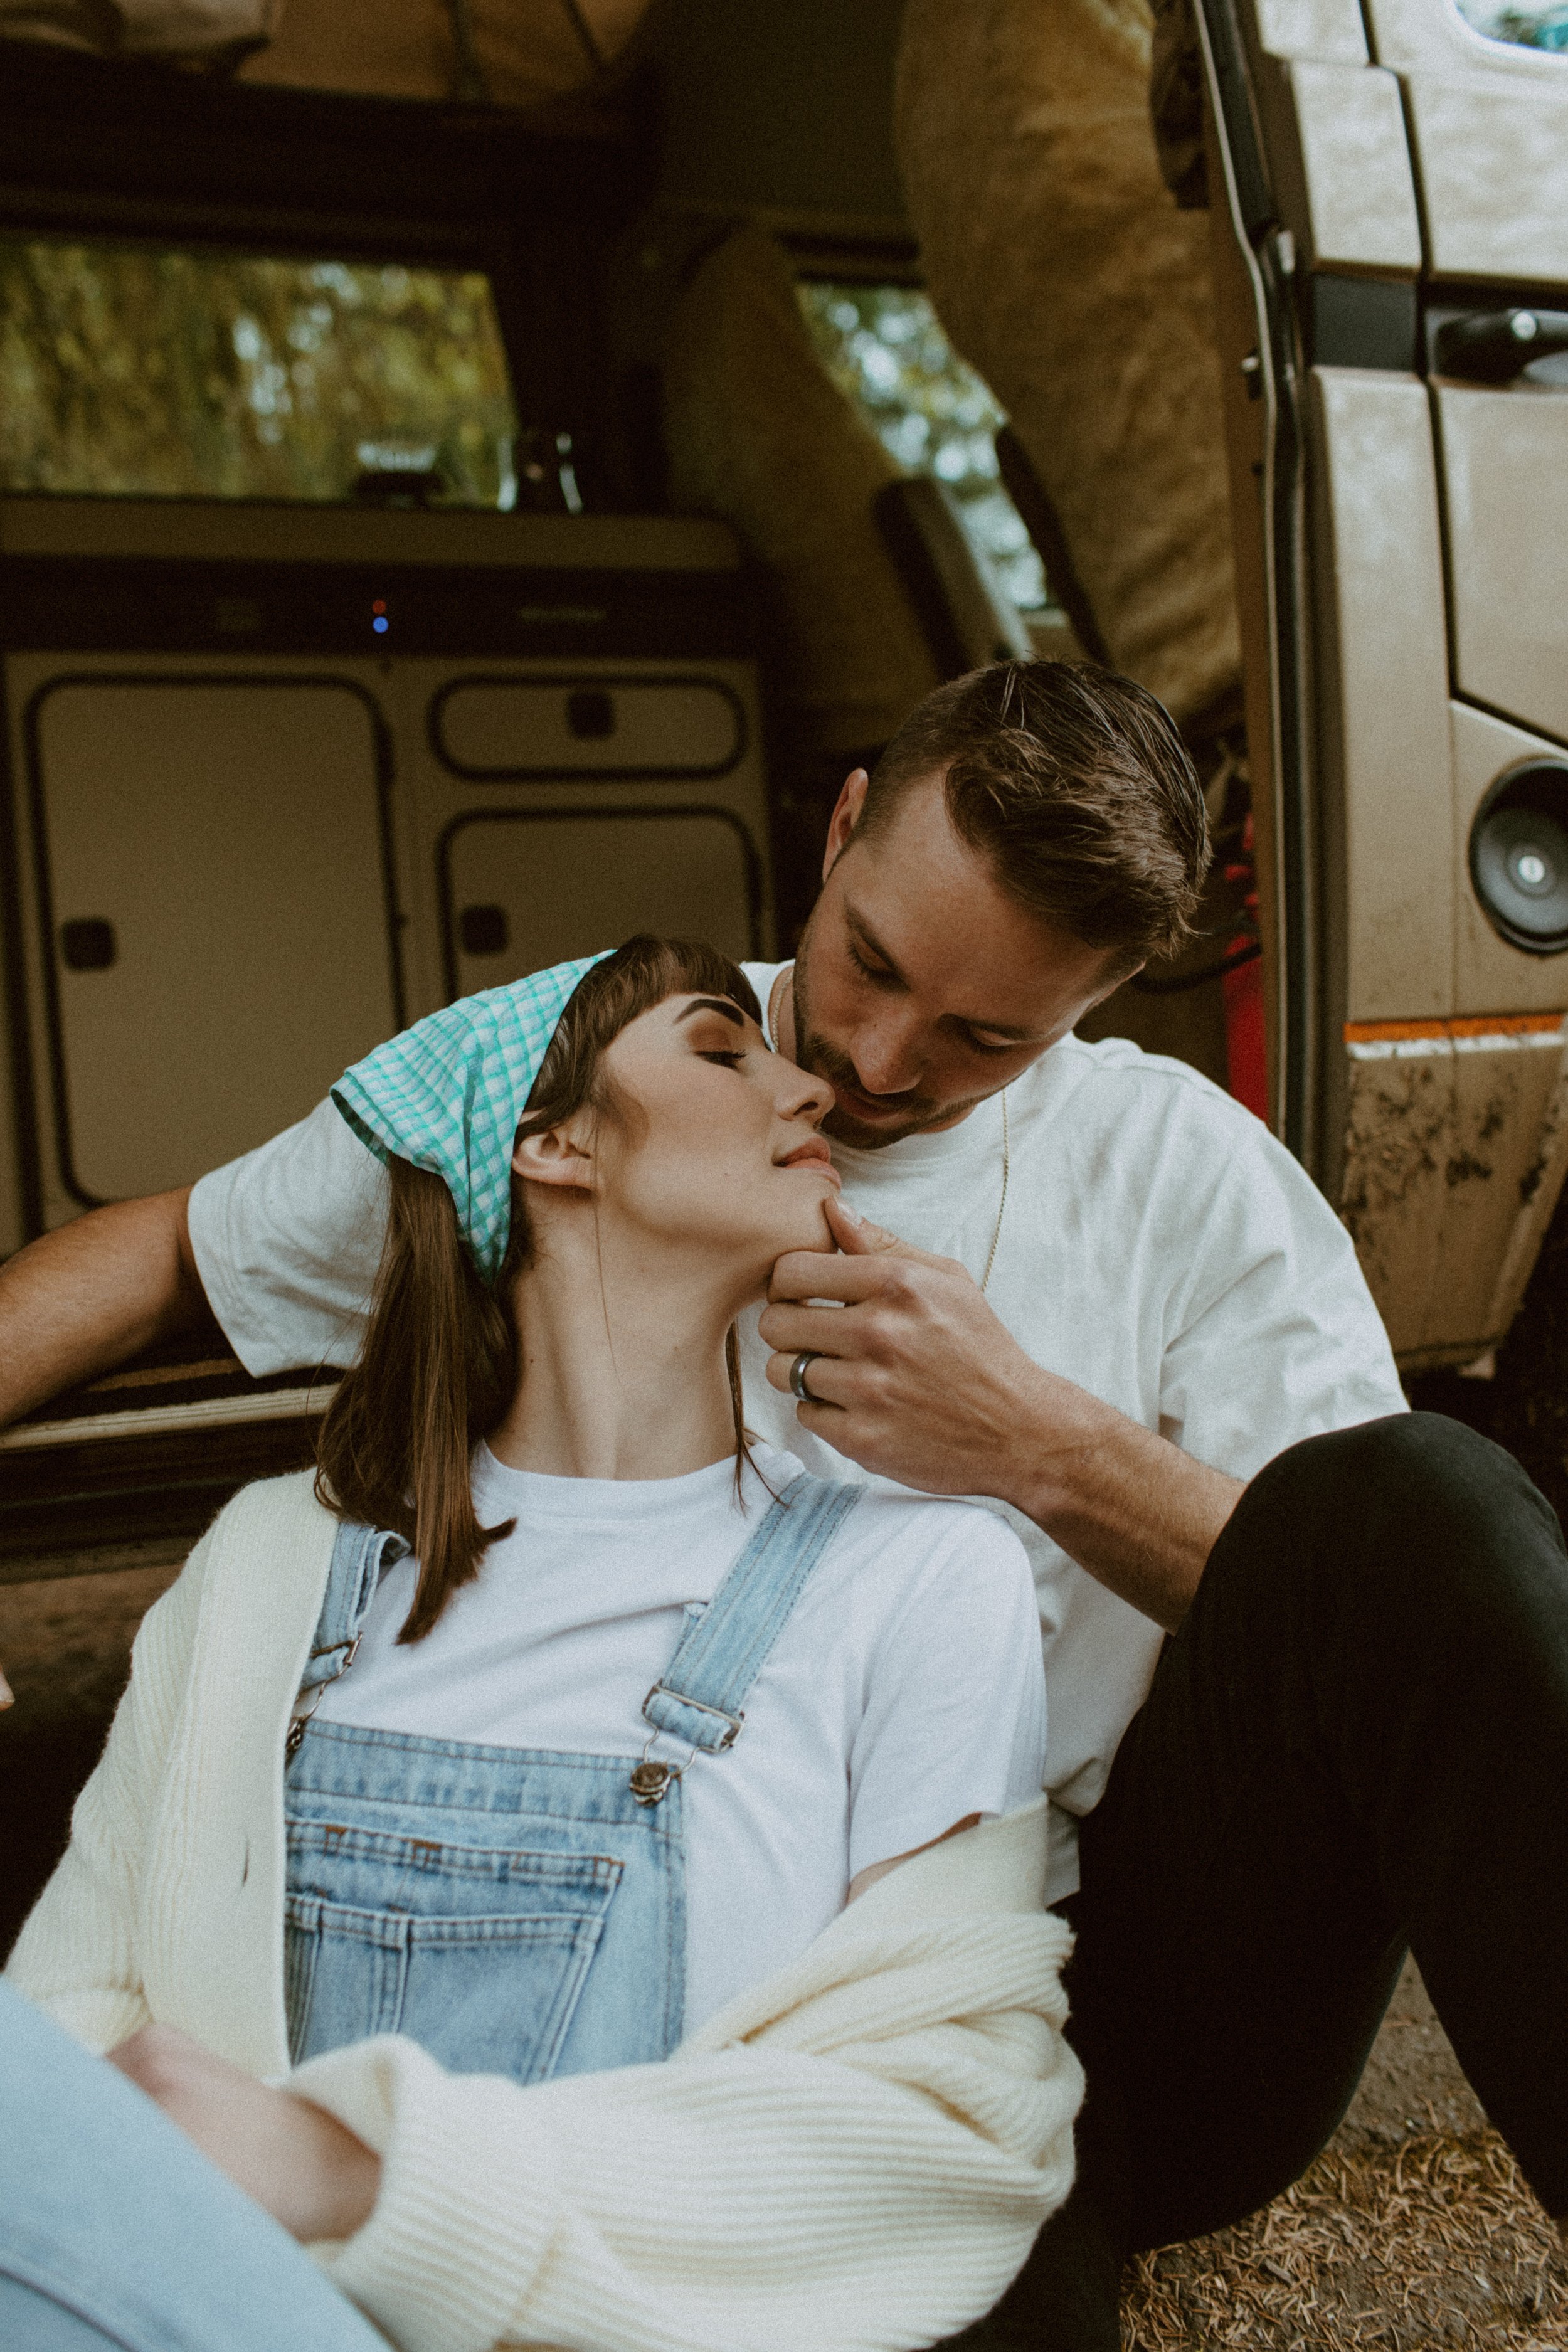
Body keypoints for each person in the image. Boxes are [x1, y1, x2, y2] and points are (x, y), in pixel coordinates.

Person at [3, 659, 1566, 2341]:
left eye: (985, 1035)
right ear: (838, 827)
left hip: (1052, 1980)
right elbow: (175, 1248)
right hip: (598, 1993)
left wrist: (1032, 1440)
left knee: (1429, 1509)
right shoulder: (589, 1063)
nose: (869, 1064)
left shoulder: (1179, 1182)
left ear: (1102, 993)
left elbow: (1349, 1620)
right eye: (868, 963)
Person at [4, 936, 1079, 2352]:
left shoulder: (922, 1574)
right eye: (721, 1048)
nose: (811, 1090)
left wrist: (357, 2171)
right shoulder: (272, 1560)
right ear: (551, 1141)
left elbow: (956, 2125)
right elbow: (66, 2025)